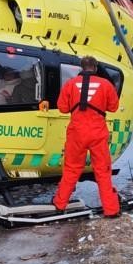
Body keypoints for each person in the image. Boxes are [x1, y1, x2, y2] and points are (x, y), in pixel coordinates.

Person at [52, 56, 121, 217]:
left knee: (71, 169)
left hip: (77, 132)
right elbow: (113, 107)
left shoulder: (70, 84)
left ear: (81, 68)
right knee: (103, 171)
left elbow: (62, 108)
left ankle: (60, 205)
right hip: (97, 132)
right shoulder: (106, 85)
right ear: (96, 68)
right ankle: (111, 210)